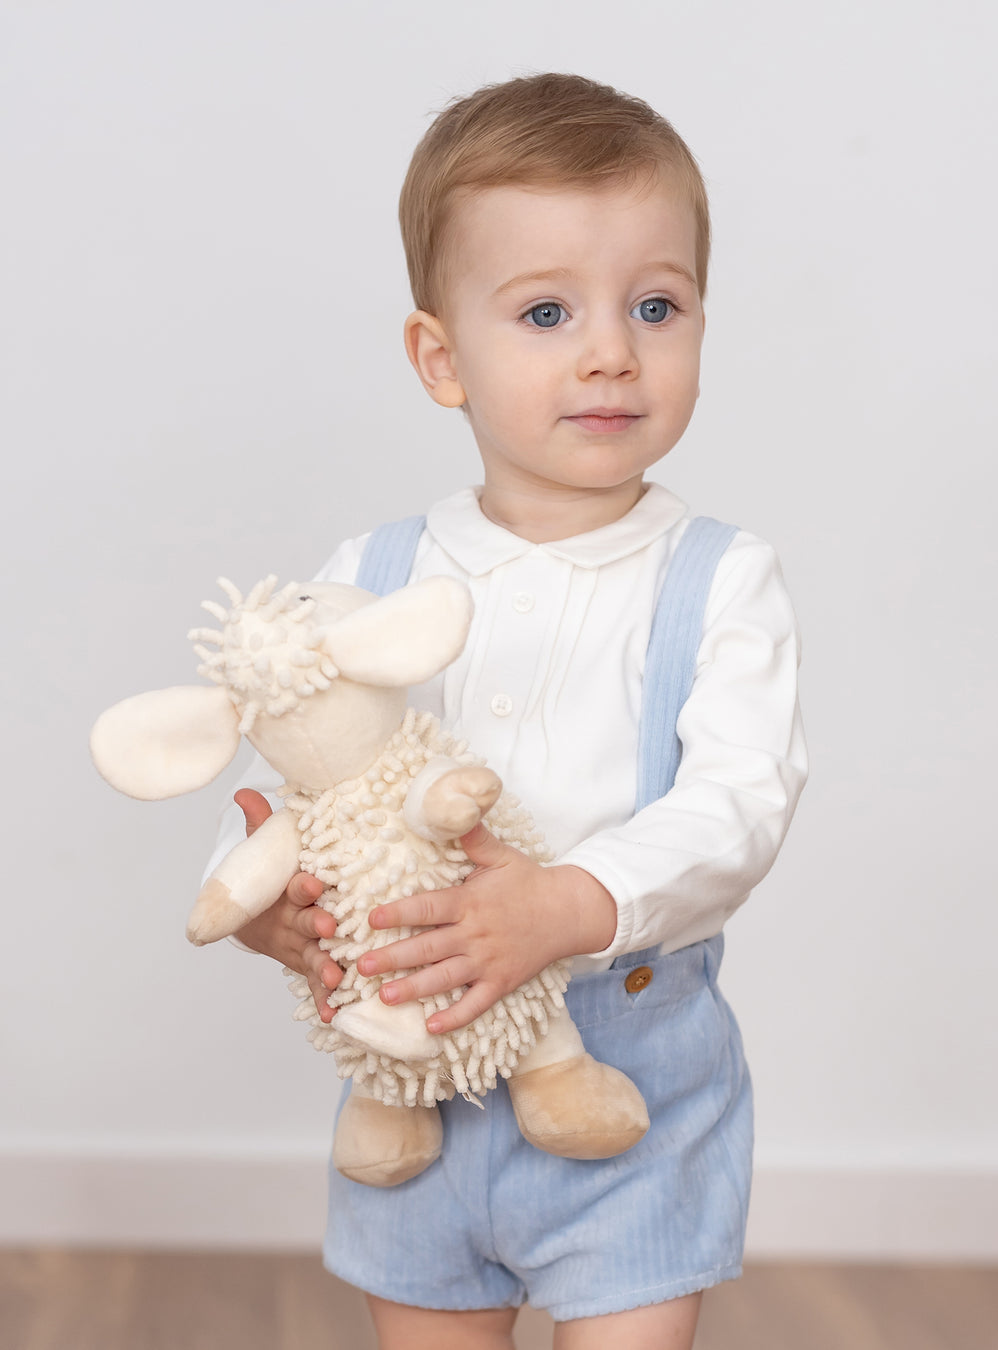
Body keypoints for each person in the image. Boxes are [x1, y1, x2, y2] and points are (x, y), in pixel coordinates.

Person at [209, 72, 808, 1350]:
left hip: (634, 1077)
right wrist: (270, 906)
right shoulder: (367, 573)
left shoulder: (720, 575)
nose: (611, 350)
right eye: (546, 311)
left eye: (658, 305)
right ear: (441, 356)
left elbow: (742, 799)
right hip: (412, 1072)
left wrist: (572, 902)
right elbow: (293, 781)